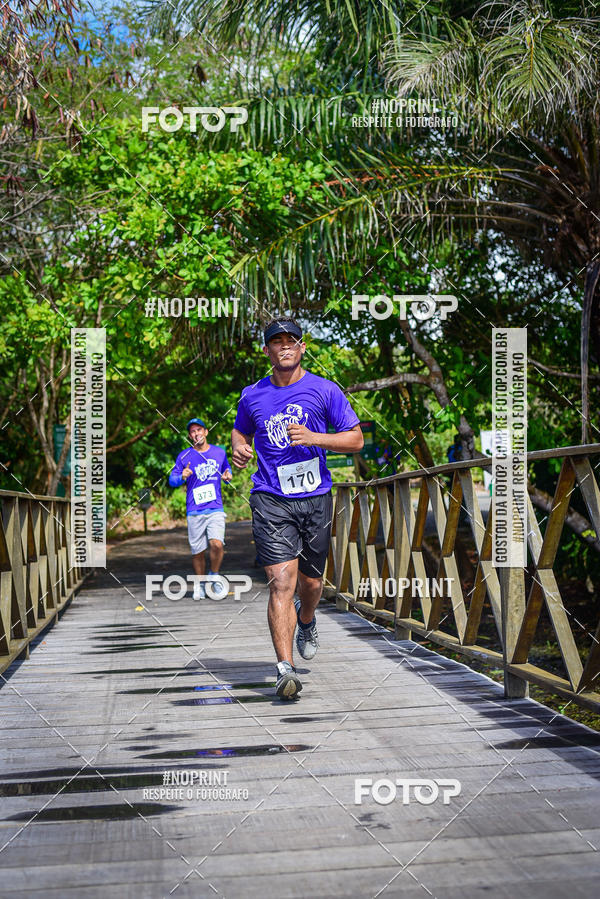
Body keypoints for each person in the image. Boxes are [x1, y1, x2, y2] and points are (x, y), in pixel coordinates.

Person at [231, 319, 364, 699]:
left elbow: (355, 439)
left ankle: (307, 619)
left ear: (302, 347)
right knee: (281, 582)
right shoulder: (252, 395)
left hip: (315, 497)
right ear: (267, 351)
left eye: (291, 341)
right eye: (276, 342)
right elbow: (241, 430)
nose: (284, 347)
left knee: (311, 583)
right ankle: (285, 669)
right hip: (271, 497)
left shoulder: (324, 390)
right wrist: (240, 446)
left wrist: (314, 438)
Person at [169, 418, 232, 599]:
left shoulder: (219, 452)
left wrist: (228, 475)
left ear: (206, 432)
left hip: (215, 508)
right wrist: (182, 476)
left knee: (217, 544)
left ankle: (214, 575)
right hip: (194, 509)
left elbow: (226, 470)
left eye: (199, 430)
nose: (196, 433)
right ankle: (200, 584)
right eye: (193, 431)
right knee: (197, 551)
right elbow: (172, 480)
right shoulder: (184, 456)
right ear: (190, 436)